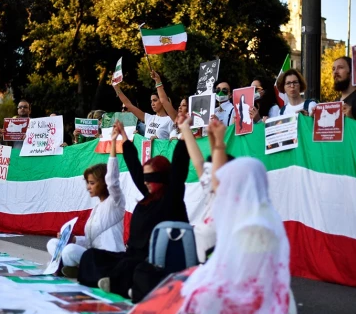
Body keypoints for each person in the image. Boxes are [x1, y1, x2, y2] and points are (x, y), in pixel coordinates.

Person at [181, 156, 297, 314]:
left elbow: (249, 283)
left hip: (268, 305)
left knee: (205, 296)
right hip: (241, 291)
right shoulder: (235, 213)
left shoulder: (259, 223)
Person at [77, 121, 190, 298]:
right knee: (91, 256)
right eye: (145, 178)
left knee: (135, 270)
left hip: (152, 261)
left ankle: (121, 285)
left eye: (150, 177)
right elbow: (135, 170)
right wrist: (124, 138)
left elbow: (180, 166)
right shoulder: (148, 195)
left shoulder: (171, 197)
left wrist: (184, 134)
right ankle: (116, 283)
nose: (145, 182)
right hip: (130, 255)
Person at [46, 123, 126, 278]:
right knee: (53, 244)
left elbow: (113, 179)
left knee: (69, 251)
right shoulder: (97, 208)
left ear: (103, 182)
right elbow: (90, 242)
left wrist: (114, 144)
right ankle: (76, 269)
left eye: (92, 183)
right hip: (93, 254)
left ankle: (76, 268)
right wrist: (73, 239)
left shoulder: (116, 201)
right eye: (87, 183)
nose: (88, 187)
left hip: (110, 258)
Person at [177, 115, 232, 263]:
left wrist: (219, 142)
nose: (208, 176)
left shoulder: (234, 206)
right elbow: (199, 162)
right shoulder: (212, 193)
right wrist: (185, 129)